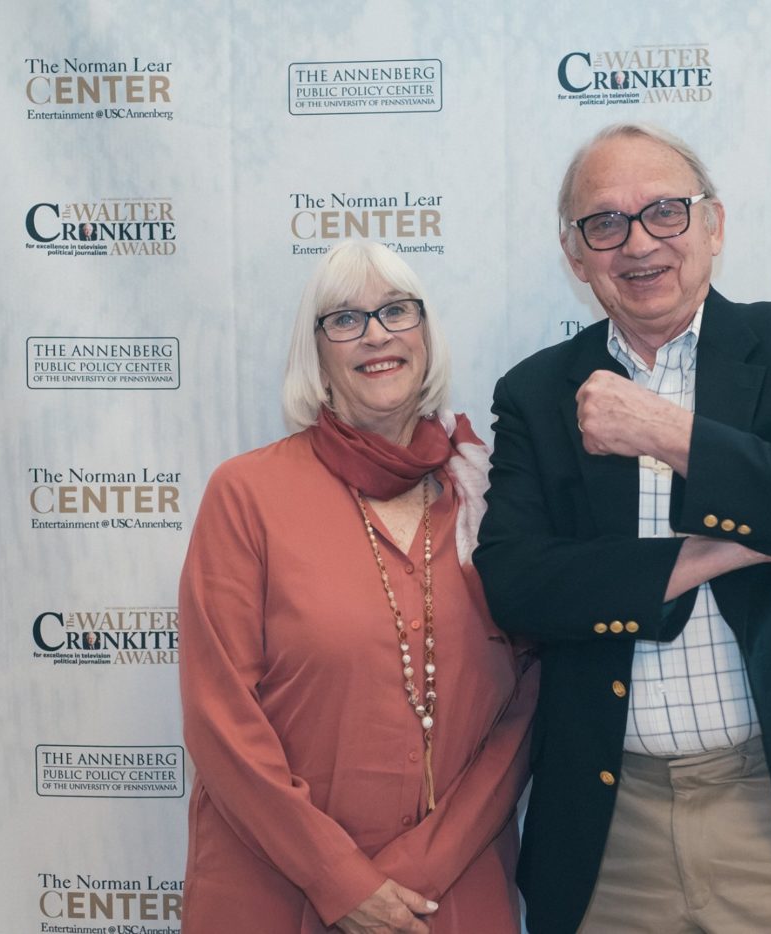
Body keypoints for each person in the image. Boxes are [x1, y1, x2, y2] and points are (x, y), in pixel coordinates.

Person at [474, 123, 771, 933]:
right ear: (575, 252)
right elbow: (518, 586)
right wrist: (729, 543)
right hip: (607, 827)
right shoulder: (537, 392)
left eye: (666, 211)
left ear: (714, 225)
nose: (639, 243)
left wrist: (664, 431)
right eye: (606, 223)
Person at [179, 240, 537, 933]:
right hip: (275, 893)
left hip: (448, 899)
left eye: (396, 311)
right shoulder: (247, 494)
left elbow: (527, 702)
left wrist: (412, 878)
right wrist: (339, 880)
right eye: (344, 319)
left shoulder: (489, 494)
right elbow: (218, 715)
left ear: (426, 333)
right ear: (315, 353)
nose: (376, 333)